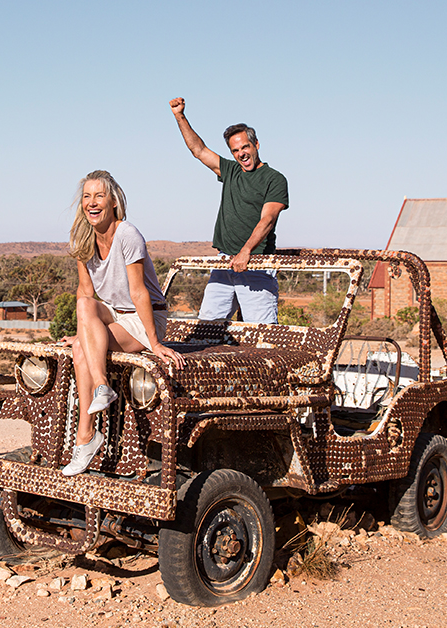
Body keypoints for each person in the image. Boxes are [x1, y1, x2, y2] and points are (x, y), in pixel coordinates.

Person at [61, 170, 185, 476]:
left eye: (99, 196)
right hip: (114, 312)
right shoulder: (82, 237)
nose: (92, 202)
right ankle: (102, 388)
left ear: (113, 201)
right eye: (87, 196)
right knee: (82, 309)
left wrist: (155, 343)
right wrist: (81, 330)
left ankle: (85, 437)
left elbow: (138, 290)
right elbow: (86, 293)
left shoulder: (127, 234)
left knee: (81, 351)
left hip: (145, 316)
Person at [169, 97, 289, 323]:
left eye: (245, 147)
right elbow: (198, 150)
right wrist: (179, 116)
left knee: (259, 335)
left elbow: (268, 220)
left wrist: (246, 251)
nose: (242, 153)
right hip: (224, 264)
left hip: (256, 263)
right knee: (207, 328)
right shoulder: (230, 171)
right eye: (235, 150)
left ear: (256, 145)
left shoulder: (274, 179)